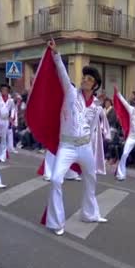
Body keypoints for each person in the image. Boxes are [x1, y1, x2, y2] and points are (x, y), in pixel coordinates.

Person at [42, 39, 107, 235]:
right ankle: (56, 222)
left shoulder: (97, 106)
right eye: (84, 77)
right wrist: (56, 54)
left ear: (95, 85)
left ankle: (90, 213)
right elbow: (62, 72)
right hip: (67, 146)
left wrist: (94, 154)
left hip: (85, 147)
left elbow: (94, 131)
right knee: (55, 180)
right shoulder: (70, 92)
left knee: (91, 179)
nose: (85, 80)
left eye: (89, 79)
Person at [114, 91, 135, 181]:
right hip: (131, 137)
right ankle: (121, 174)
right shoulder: (132, 110)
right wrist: (118, 94)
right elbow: (124, 103)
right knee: (125, 154)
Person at [0, 84, 16, 162]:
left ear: (8, 91)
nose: (4, 91)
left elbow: (13, 109)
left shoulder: (10, 100)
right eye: (3, 89)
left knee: (4, 138)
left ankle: (2, 156)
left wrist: (12, 117)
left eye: (6, 90)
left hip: (5, 120)